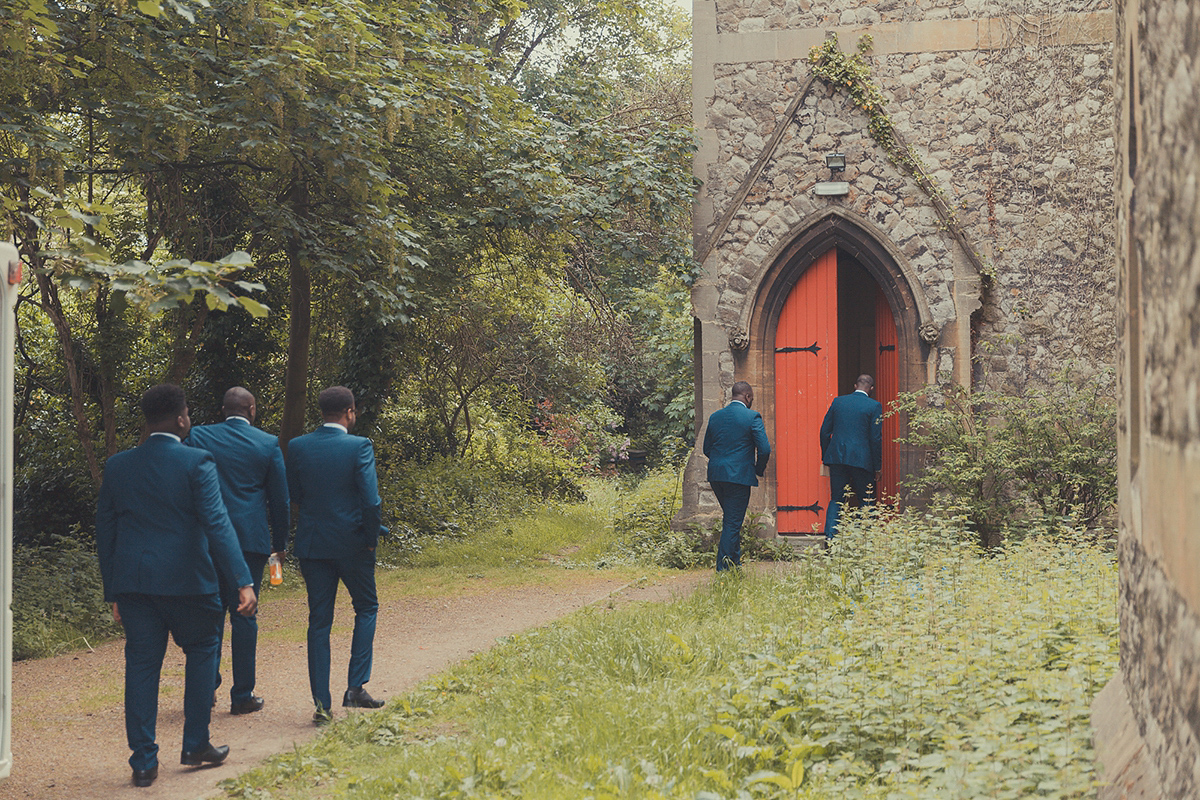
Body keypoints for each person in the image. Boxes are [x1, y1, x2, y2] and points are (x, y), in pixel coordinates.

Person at [96, 384, 256, 788]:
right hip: (190, 583)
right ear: (182, 418)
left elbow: (105, 531)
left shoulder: (117, 466)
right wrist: (241, 580)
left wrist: (112, 590)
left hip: (135, 585)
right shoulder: (197, 461)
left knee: (142, 665)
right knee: (203, 651)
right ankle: (195, 744)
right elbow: (217, 525)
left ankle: (144, 762)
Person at [186, 387, 289, 715]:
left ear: (223, 409)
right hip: (249, 540)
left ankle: (206, 685)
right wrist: (280, 544)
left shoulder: (199, 436)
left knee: (209, 612)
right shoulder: (267, 444)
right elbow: (280, 500)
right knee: (245, 615)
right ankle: (242, 694)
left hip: (206, 539)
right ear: (252, 409)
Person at [286, 386, 386, 725]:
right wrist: (370, 539)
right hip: (353, 544)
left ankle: (321, 706)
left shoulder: (298, 446)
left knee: (319, 622)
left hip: (313, 545)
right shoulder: (359, 446)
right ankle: (355, 687)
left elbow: (294, 493)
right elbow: (371, 501)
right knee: (367, 607)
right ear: (350, 411)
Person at [702, 381, 771, 571]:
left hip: (716, 475)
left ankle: (735, 563)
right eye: (752, 398)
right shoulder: (752, 417)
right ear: (747, 397)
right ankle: (723, 570)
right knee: (733, 522)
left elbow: (707, 448)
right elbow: (764, 449)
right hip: (738, 477)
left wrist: (721, 463)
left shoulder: (715, 417)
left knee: (732, 519)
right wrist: (757, 469)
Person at [819, 374, 884, 539]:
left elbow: (824, 431)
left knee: (837, 499)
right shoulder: (874, 406)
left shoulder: (838, 402)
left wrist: (827, 456)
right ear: (871, 389)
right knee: (866, 500)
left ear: (855, 385)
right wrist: (877, 467)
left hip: (837, 458)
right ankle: (865, 540)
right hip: (862, 461)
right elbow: (875, 439)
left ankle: (830, 539)